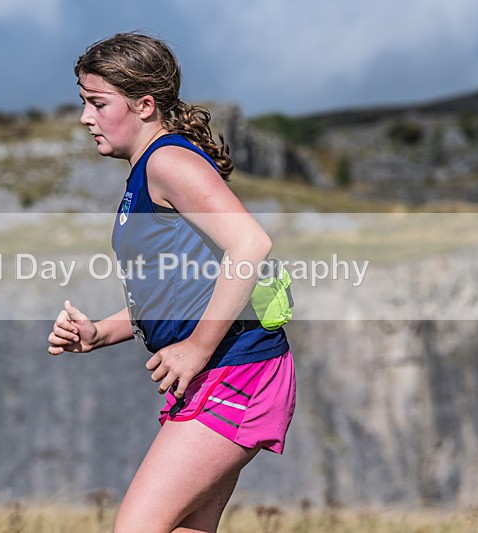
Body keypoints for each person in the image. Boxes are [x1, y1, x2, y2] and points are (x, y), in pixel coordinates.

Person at [47, 32, 296, 533]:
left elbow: (250, 245)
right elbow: (171, 293)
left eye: (97, 103)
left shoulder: (168, 161)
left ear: (143, 105)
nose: (85, 118)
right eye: (83, 102)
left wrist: (197, 349)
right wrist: (97, 333)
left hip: (237, 369)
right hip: (222, 370)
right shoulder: (145, 171)